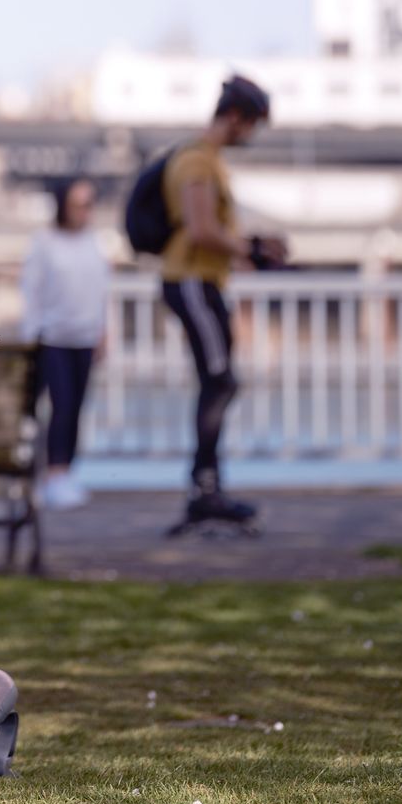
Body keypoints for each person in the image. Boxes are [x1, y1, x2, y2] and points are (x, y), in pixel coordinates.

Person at [161, 74, 286, 528]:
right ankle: (205, 488)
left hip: (203, 281)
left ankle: (206, 484)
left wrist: (251, 249)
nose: (251, 134)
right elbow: (200, 230)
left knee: (219, 381)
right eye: (251, 124)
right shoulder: (197, 161)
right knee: (220, 380)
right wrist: (249, 249)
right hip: (191, 281)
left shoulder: (207, 159)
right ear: (234, 116)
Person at [21, 179, 110, 511]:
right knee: (58, 405)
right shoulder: (44, 242)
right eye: (78, 205)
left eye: (89, 204)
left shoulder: (93, 242)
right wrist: (32, 334)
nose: (85, 212)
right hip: (53, 336)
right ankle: (51, 473)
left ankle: (66, 470)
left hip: (85, 336)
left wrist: (103, 331)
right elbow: (31, 290)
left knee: (76, 408)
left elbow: (102, 291)